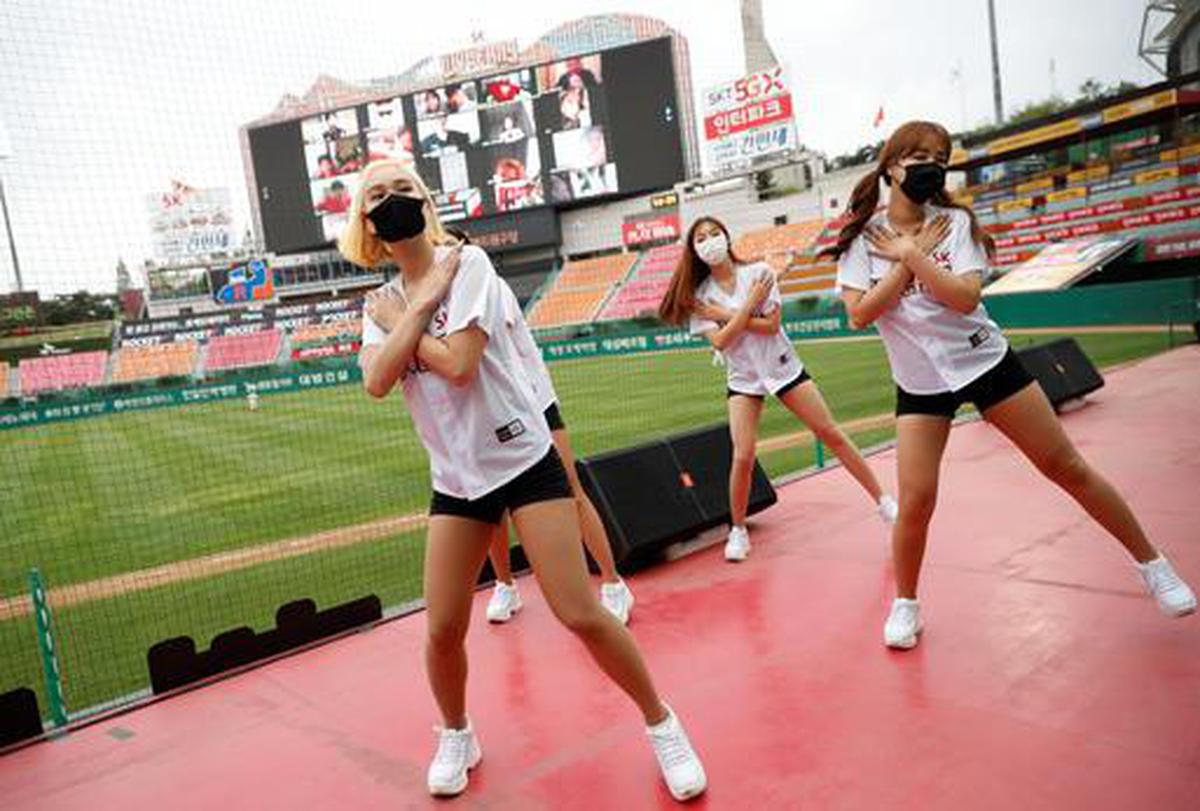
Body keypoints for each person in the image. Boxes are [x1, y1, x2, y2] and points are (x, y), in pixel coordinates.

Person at [340, 159, 705, 801]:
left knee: (578, 610)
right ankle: (457, 732)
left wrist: (411, 317)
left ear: (424, 202)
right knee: (443, 628)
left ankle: (663, 722)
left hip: (521, 460)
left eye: (403, 190)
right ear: (364, 220)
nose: (392, 202)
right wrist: (417, 305)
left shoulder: (469, 265)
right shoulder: (381, 303)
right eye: (378, 197)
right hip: (457, 479)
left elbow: (458, 364)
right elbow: (375, 381)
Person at [829, 120, 1196, 650]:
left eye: (941, 156)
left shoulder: (954, 223)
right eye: (920, 155)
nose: (932, 164)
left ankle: (1153, 563)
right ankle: (905, 605)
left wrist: (911, 257)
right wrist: (906, 260)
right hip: (920, 383)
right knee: (916, 500)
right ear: (891, 166)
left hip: (985, 361)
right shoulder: (863, 240)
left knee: (1064, 465)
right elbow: (860, 313)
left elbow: (965, 299)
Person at [659, 217, 898, 562]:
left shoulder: (758, 273)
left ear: (727, 237)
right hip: (743, 379)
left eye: (714, 234)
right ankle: (738, 530)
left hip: (783, 367)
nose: (709, 241)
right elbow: (723, 341)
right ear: (694, 250)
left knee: (830, 433)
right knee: (742, 455)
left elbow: (771, 327)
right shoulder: (699, 298)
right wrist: (740, 309)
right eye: (701, 238)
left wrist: (726, 313)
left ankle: (884, 502)